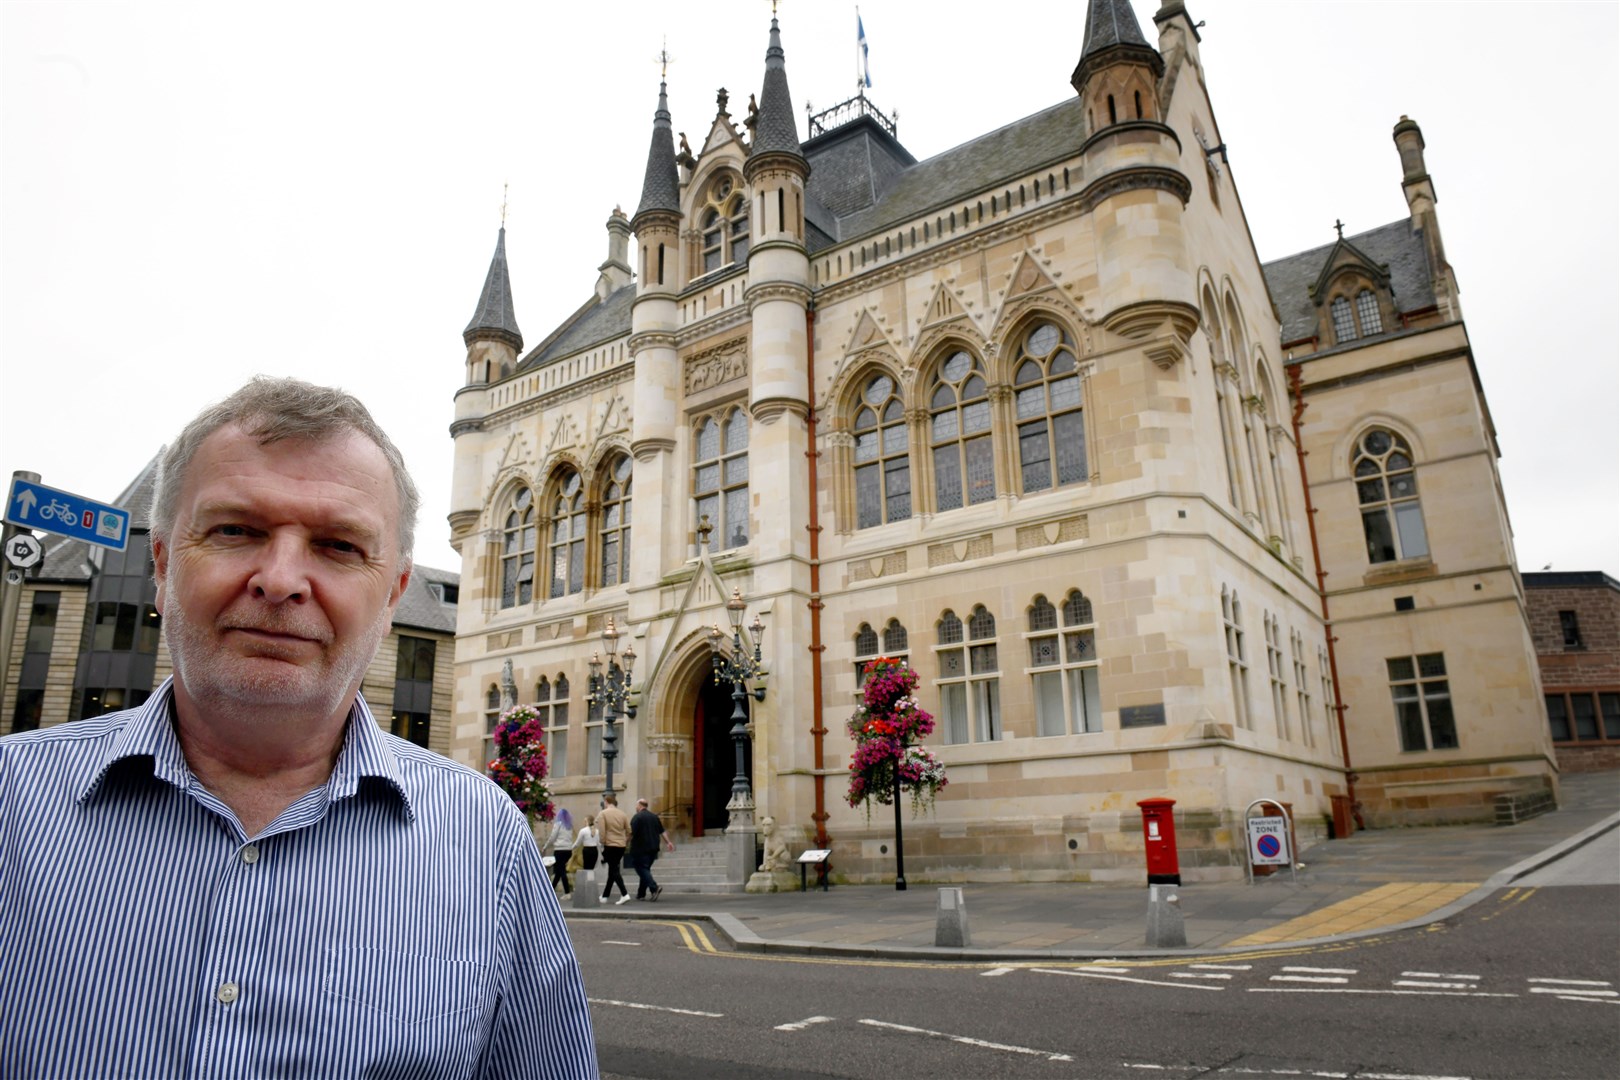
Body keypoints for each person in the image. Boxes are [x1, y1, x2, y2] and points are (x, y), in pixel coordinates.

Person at [0, 378, 596, 1079]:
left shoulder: (485, 837)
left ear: (394, 595)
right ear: (161, 565)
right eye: (234, 531)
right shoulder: (12, 801)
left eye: (339, 546)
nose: (281, 579)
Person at [628, 797, 676, 901]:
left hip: (640, 849)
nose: (636, 807)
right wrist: (669, 842)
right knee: (645, 869)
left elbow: (631, 833)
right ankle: (641, 894)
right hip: (653, 848)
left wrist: (624, 843)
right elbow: (662, 831)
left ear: (640, 805)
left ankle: (654, 888)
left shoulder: (637, 817)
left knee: (640, 868)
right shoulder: (654, 817)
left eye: (636, 805)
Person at [597, 792, 632, 904]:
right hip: (621, 845)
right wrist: (625, 841)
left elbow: (602, 831)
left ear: (606, 802)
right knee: (613, 870)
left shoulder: (603, 814)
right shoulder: (623, 814)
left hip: (610, 844)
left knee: (614, 870)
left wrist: (602, 843)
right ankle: (605, 896)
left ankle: (624, 893)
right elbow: (629, 830)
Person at [546, 809, 575, 895]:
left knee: (561, 870)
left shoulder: (558, 825)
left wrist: (545, 846)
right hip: (568, 850)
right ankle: (551, 890)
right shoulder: (569, 826)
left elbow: (553, 837)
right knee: (559, 871)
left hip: (559, 849)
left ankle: (567, 892)